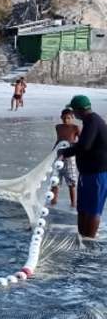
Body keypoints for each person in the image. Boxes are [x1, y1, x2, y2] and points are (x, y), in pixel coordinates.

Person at [58, 95, 107, 238]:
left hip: (98, 174)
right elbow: (85, 144)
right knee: (83, 208)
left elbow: (85, 146)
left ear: (79, 110)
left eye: (73, 110)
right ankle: (82, 237)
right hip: (87, 173)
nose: (73, 114)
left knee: (93, 210)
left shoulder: (93, 121)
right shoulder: (89, 121)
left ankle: (88, 243)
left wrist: (65, 152)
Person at [52, 108, 81, 208]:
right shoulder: (58, 127)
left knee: (71, 182)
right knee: (55, 180)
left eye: (68, 118)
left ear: (72, 118)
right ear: (61, 117)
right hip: (58, 155)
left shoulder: (75, 128)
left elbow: (81, 142)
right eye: (64, 118)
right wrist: (53, 152)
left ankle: (73, 203)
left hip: (70, 156)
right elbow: (58, 140)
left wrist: (72, 146)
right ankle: (53, 201)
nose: (66, 120)